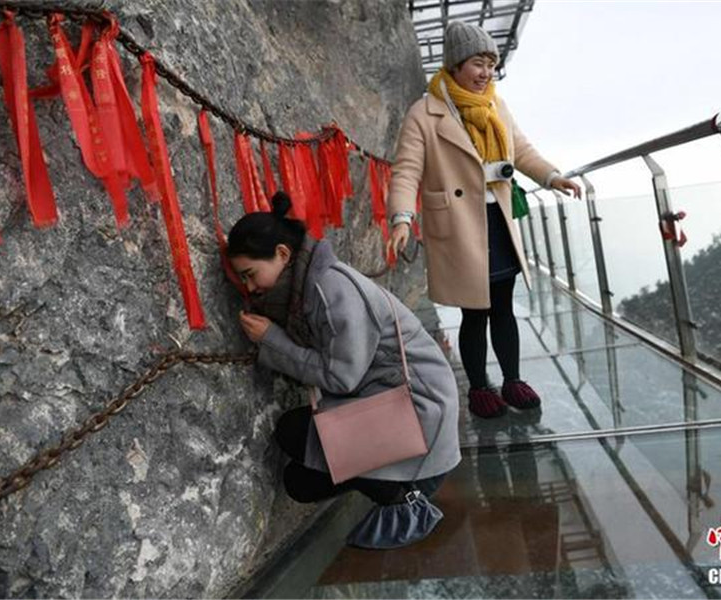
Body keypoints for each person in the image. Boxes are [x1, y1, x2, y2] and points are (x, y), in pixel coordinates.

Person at [227, 192, 460, 549]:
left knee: (292, 432)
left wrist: (271, 340)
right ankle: (388, 477)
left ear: (283, 254)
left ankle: (403, 496)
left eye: (251, 274)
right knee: (298, 482)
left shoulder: (330, 288)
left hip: (418, 411)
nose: (250, 286)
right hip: (397, 401)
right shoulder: (309, 284)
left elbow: (342, 377)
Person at [387, 20, 582, 419]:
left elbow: (522, 150)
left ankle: (512, 379)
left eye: (491, 64)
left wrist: (551, 175)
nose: (486, 73)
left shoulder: (496, 105)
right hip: (459, 225)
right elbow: (406, 170)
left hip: (499, 220)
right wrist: (402, 218)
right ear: (456, 64)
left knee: (504, 305)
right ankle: (479, 387)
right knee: (475, 311)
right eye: (479, 63)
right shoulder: (424, 113)